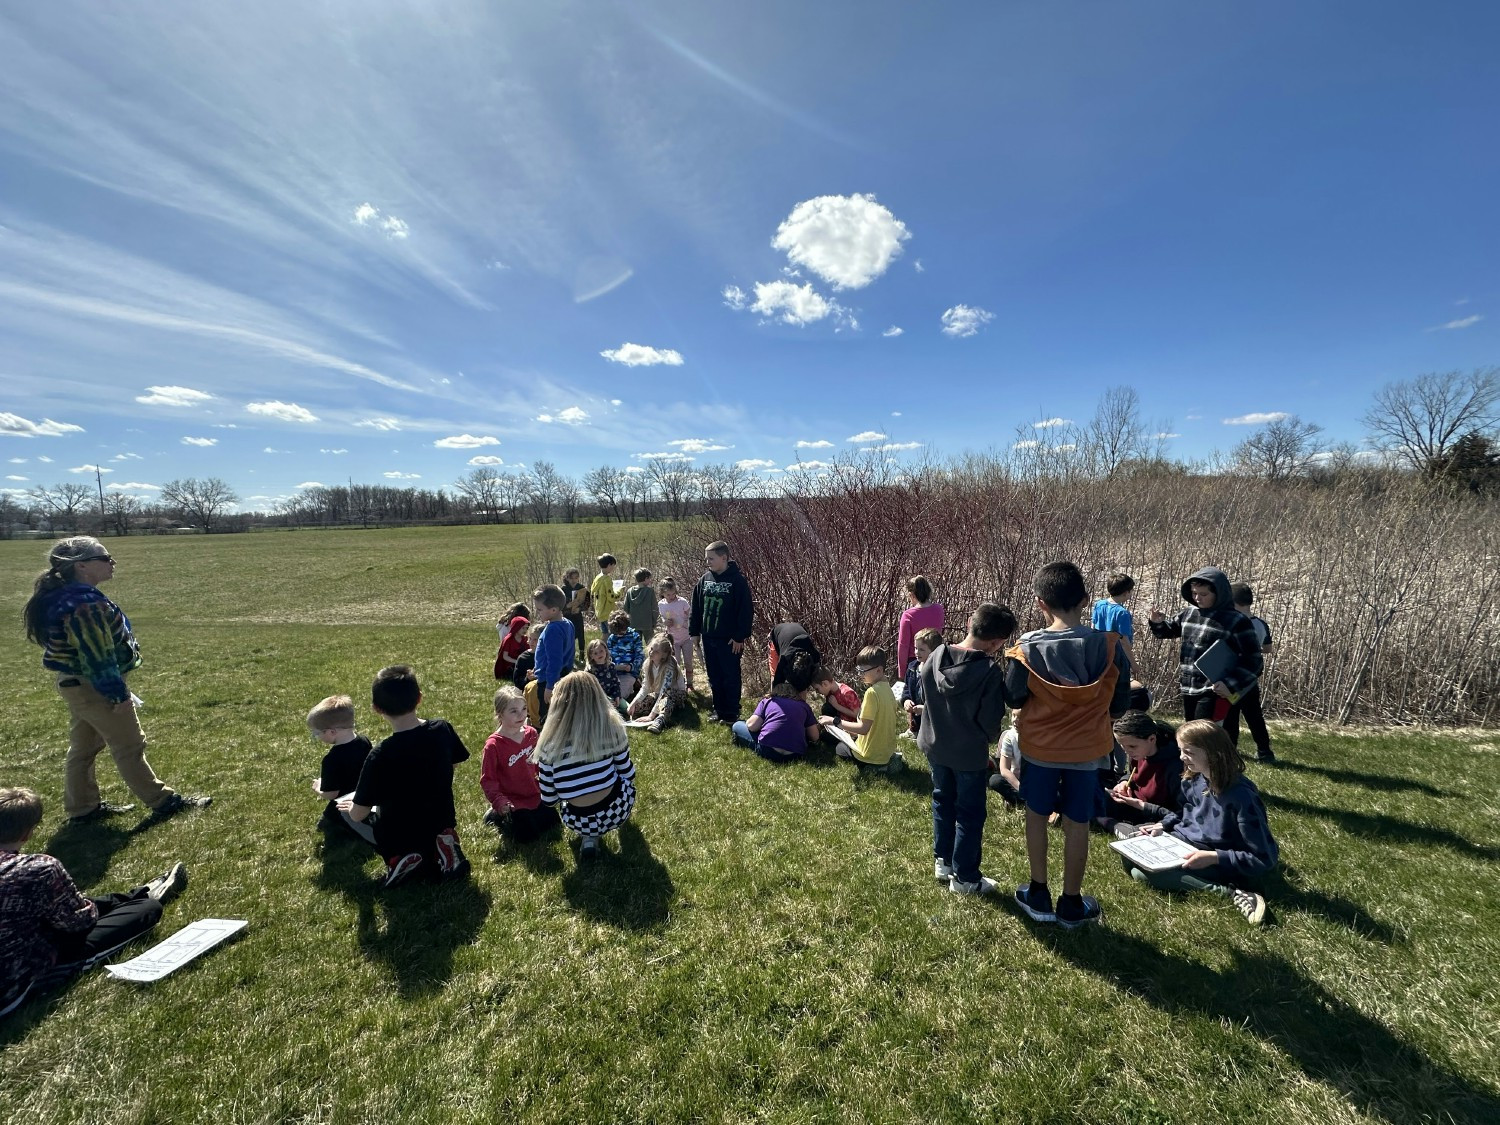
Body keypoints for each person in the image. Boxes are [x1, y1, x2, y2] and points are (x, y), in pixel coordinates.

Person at [21, 536, 210, 823]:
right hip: (93, 685)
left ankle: (82, 809)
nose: (112, 562)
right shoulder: (84, 603)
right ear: (82, 565)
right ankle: (163, 801)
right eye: (105, 557)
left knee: (84, 748)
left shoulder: (69, 596)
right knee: (130, 745)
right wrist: (117, 694)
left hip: (78, 685)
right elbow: (97, 656)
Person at [1005, 561, 1132, 929]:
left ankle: (1038, 892)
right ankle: (1072, 903)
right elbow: (1120, 705)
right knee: (1078, 822)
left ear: (1041, 604)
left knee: (1036, 816)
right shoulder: (1109, 648)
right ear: (1087, 600)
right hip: (1087, 752)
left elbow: (1014, 695)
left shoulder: (1025, 647)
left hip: (1040, 749)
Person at [1, 787, 187, 1018]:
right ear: (27, 833)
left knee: (83, 903)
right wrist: (83, 908)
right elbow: (78, 924)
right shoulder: (38, 869)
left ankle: (139, 893)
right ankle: (145, 898)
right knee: (148, 910)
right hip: (15, 981)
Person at [1117, 720, 1279, 925]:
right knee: (1132, 856)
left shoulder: (1241, 797)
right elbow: (1183, 813)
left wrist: (1214, 857)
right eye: (1180, 750)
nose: (1182, 758)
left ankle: (1232, 893)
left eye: (1189, 752)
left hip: (1215, 856)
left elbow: (1264, 858)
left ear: (1214, 754)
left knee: (1148, 875)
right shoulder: (1193, 779)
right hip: (1184, 842)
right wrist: (1163, 825)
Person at [341, 665, 471, 889]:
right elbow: (455, 762)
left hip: (399, 832)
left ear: (376, 709)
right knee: (433, 823)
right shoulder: (441, 729)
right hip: (441, 819)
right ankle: (443, 844)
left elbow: (358, 813)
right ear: (419, 697)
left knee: (347, 815)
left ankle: (399, 858)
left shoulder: (379, 756)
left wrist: (353, 806)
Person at [919, 603, 1015, 895]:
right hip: (967, 753)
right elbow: (989, 721)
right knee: (970, 814)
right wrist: (989, 737)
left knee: (942, 800)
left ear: (970, 623)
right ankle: (965, 877)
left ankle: (943, 860)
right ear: (997, 642)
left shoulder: (936, 654)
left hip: (935, 744)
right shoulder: (988, 672)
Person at [532, 671, 638, 860]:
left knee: (577, 801)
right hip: (617, 811)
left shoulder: (549, 744)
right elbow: (628, 772)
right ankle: (608, 828)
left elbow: (549, 799)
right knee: (621, 779)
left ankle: (589, 838)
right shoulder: (612, 728)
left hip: (577, 820)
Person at [1147, 567, 1263, 727]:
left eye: (1203, 594)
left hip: (1214, 689)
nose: (1197, 598)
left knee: (1206, 736)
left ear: (1219, 593)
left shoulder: (1237, 620)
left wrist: (1230, 683)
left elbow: (1254, 661)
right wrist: (1157, 623)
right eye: (1194, 593)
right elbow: (1167, 631)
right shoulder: (1188, 613)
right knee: (1193, 733)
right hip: (1189, 687)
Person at [480, 686, 560, 845]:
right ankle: (497, 815)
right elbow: (488, 780)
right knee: (527, 837)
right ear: (499, 713)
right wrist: (500, 801)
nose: (521, 714)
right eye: (513, 711)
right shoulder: (494, 745)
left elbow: (539, 764)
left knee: (553, 823)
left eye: (524, 709)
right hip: (512, 800)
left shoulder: (531, 734)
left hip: (534, 795)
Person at [689, 541, 754, 724]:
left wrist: (739, 636)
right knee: (714, 676)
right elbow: (697, 607)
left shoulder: (737, 581)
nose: (707, 561)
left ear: (724, 558)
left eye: (711, 558)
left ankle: (731, 712)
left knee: (730, 676)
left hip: (730, 640)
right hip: (709, 638)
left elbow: (745, 610)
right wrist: (694, 631)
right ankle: (718, 709)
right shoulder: (705, 579)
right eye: (706, 558)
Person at [821, 645, 902, 774]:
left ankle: (876, 767)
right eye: (859, 670)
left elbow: (863, 729)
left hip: (870, 755)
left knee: (840, 749)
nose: (860, 674)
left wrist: (834, 721)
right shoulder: (888, 689)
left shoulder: (872, 693)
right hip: (886, 751)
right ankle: (889, 761)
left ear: (879, 670)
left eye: (863, 670)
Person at [1096, 711, 1183, 832]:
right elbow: (1132, 773)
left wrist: (1142, 806)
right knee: (1091, 796)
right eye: (1122, 746)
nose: (1127, 751)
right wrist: (1124, 782)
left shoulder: (1175, 766)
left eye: (1132, 746)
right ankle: (1108, 822)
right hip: (1132, 804)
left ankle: (1110, 823)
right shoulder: (1139, 752)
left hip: (1154, 813)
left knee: (1143, 831)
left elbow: (1178, 811)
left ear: (1152, 739)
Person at [306, 694, 374, 844]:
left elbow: (332, 794)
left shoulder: (332, 760)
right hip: (366, 798)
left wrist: (319, 788)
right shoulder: (364, 741)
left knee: (326, 826)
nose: (316, 737)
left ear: (331, 732)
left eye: (317, 733)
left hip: (344, 806)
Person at [732, 652, 823, 763]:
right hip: (795, 754)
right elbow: (815, 736)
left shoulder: (768, 701)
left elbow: (751, 726)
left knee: (737, 725)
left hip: (768, 750)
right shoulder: (804, 706)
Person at [1226, 584, 1277, 763]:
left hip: (1233, 678)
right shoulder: (1261, 623)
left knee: (1230, 716)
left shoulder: (1232, 622)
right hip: (1250, 679)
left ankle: (1230, 751)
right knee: (1254, 716)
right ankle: (1265, 751)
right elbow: (1268, 649)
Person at [531, 585, 577, 721]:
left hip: (549, 680)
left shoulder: (552, 630)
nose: (538, 613)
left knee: (549, 718)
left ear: (553, 610)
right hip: (562, 676)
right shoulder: (568, 623)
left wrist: (550, 686)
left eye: (540, 610)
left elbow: (555, 660)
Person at [628, 633, 686, 733]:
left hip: (675, 694)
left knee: (667, 694)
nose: (651, 653)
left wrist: (651, 716)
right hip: (658, 694)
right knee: (637, 709)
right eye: (651, 649)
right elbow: (645, 687)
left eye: (656, 652)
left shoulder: (670, 665)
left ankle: (660, 719)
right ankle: (655, 712)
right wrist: (633, 703)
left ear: (664, 654)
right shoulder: (648, 663)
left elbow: (664, 690)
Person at [896, 575, 946, 678]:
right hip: (935, 658)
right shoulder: (939, 609)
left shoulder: (908, 615)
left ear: (912, 595)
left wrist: (902, 672)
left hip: (915, 660)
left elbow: (903, 645)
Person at [902, 626, 943, 738]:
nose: (916, 652)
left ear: (934, 652)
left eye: (922, 650)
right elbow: (906, 688)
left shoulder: (938, 672)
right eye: (915, 648)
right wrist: (906, 700)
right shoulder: (912, 668)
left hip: (933, 719)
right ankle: (914, 730)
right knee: (915, 721)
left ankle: (928, 735)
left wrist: (926, 709)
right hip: (915, 715)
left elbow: (941, 701)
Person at [657, 577, 694, 690]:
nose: (671, 596)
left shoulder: (682, 602)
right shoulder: (661, 604)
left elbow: (691, 614)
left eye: (673, 594)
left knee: (688, 662)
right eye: (668, 594)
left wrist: (686, 621)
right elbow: (663, 618)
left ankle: (690, 683)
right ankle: (679, 683)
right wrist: (665, 622)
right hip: (673, 639)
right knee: (676, 663)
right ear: (662, 593)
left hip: (686, 637)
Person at [1091, 573, 1136, 663]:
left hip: (1100, 653)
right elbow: (1124, 641)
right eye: (1131, 591)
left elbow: (1093, 627)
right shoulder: (1122, 613)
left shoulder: (1099, 605)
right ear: (1126, 593)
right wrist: (1133, 663)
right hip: (1117, 657)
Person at [768, 621, 821, 689]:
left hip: (795, 631)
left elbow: (815, 673)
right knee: (774, 674)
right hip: (776, 634)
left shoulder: (814, 655)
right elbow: (777, 679)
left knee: (802, 681)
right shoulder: (784, 658)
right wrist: (775, 693)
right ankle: (773, 698)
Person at [606, 611, 644, 700]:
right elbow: (608, 656)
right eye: (616, 634)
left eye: (621, 633)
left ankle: (634, 684)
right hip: (613, 673)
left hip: (629, 673)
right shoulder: (611, 638)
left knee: (619, 695)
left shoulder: (634, 637)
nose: (618, 635)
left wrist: (631, 667)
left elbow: (640, 656)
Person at [987, 722, 1024, 806]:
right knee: (995, 780)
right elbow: (1004, 770)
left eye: (1019, 717)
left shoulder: (1039, 736)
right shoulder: (1009, 736)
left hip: (1034, 781)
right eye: (1013, 715)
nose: (1015, 720)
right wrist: (1020, 788)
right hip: (1015, 780)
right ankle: (1022, 799)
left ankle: (1018, 800)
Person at [493, 603, 530, 681]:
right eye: (523, 628)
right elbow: (505, 654)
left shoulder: (524, 638)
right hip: (510, 661)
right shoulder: (507, 634)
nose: (525, 630)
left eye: (526, 628)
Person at [561, 568, 590, 667]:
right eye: (571, 578)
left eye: (576, 578)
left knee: (580, 634)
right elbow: (560, 605)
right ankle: (570, 655)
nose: (574, 580)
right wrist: (568, 606)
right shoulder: (563, 589)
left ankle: (582, 655)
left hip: (577, 615)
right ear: (567, 578)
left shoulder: (581, 588)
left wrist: (580, 608)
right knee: (569, 636)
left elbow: (587, 604)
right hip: (567, 616)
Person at [585, 639, 624, 709]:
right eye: (595, 653)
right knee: (608, 709)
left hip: (612, 694)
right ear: (591, 656)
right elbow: (590, 689)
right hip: (597, 698)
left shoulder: (611, 666)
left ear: (606, 650)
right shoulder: (590, 670)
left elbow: (616, 682)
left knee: (626, 707)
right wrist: (606, 699)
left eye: (601, 651)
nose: (599, 654)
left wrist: (617, 696)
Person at [622, 568, 660, 641]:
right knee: (650, 645)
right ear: (646, 579)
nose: (650, 580)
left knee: (636, 647)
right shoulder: (650, 592)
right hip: (647, 624)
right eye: (649, 578)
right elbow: (654, 608)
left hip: (633, 624)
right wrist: (654, 621)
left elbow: (626, 608)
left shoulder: (629, 591)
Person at [589, 554, 619, 632]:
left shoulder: (597, 578)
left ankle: (601, 644)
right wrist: (620, 591)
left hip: (600, 610)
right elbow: (611, 597)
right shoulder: (607, 580)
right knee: (610, 634)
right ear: (609, 565)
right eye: (613, 565)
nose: (613, 568)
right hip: (607, 611)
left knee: (605, 633)